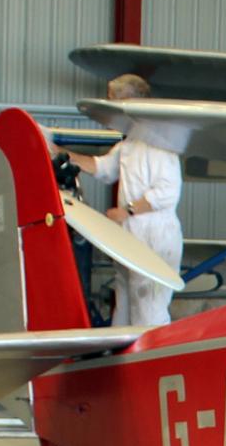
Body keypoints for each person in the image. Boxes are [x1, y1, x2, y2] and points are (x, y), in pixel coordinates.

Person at [64, 74, 183, 327]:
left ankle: (152, 363)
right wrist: (62, 155)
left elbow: (167, 191)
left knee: (148, 312)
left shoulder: (159, 142)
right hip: (131, 235)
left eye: (112, 100)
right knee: (125, 309)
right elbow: (104, 168)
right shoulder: (130, 143)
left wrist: (127, 211)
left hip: (153, 235)